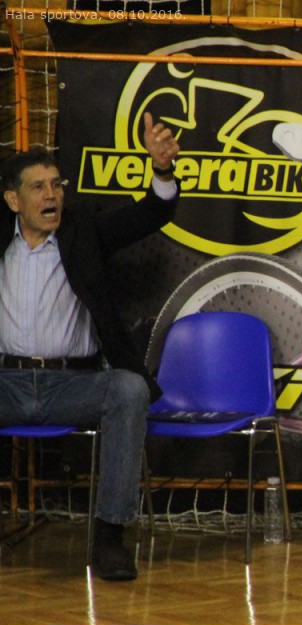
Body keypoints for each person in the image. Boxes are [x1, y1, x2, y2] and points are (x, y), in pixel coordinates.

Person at [0, 112, 181, 581]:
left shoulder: (83, 231)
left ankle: (109, 537)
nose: (51, 195)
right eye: (38, 187)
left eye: (56, 185)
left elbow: (151, 213)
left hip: (73, 384)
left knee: (128, 390)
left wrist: (162, 170)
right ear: (13, 200)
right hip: (8, 383)